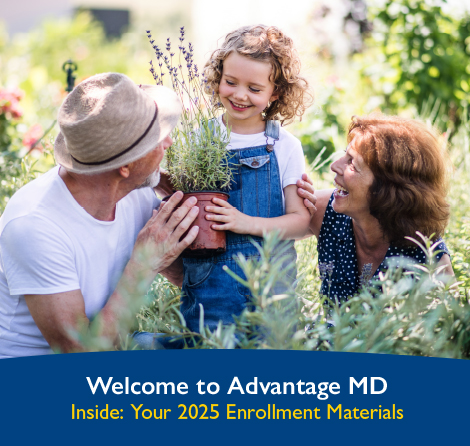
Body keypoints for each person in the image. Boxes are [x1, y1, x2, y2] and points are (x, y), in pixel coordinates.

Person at [0, 72, 200, 358]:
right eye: (156, 138)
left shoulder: (135, 190)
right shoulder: (35, 226)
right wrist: (144, 263)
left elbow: (183, 275)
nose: (167, 143)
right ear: (125, 166)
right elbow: (80, 353)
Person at [175, 24, 313, 334]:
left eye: (254, 88)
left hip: (271, 287)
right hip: (209, 282)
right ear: (218, 77)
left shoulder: (283, 144)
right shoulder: (200, 138)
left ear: (274, 92)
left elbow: (301, 222)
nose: (239, 95)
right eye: (230, 82)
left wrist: (244, 222)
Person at [295, 114, 453, 302]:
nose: (334, 166)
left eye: (352, 163)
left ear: (388, 188)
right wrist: (290, 202)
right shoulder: (324, 210)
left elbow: (450, 323)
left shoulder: (426, 252)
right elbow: (265, 232)